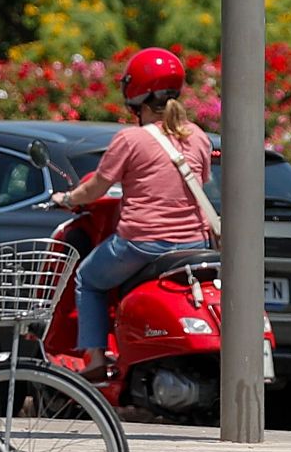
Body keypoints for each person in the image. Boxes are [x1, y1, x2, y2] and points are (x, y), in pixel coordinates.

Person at [49, 47, 215, 382]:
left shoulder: (130, 139)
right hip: (194, 245)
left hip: (143, 243)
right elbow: (201, 181)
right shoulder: (198, 136)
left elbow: (95, 188)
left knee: (88, 278)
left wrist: (66, 198)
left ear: (134, 95)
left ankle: (95, 358)